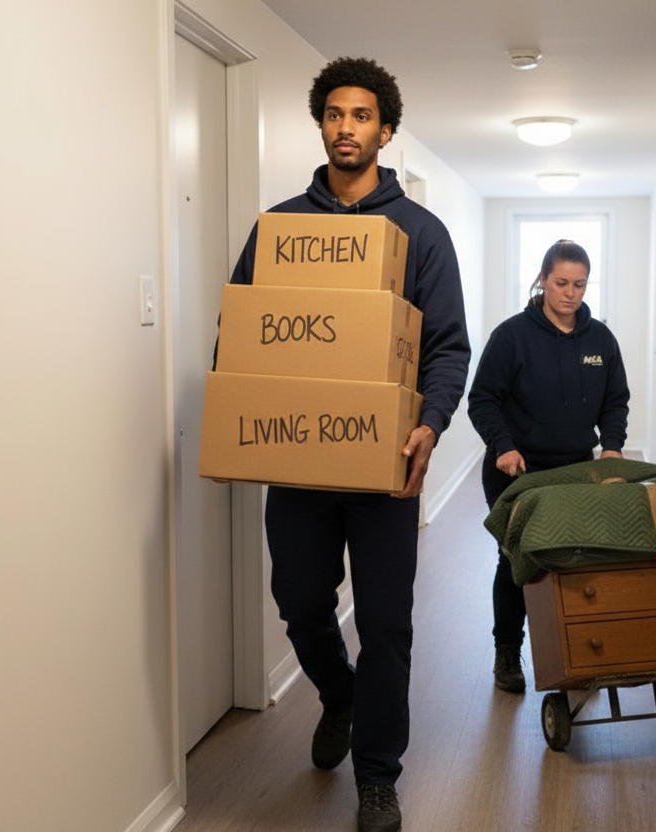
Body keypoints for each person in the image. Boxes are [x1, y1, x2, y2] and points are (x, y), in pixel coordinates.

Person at [218, 57, 470, 832]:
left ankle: (377, 775)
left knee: (388, 622)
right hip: (298, 459)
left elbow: (448, 347)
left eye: (361, 116)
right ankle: (339, 692)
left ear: (384, 130)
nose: (346, 127)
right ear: (321, 123)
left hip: (385, 464)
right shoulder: (279, 228)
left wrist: (429, 423)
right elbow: (243, 331)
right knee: (298, 603)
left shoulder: (420, 234)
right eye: (334, 114)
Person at [467, 239, 630, 693]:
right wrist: (502, 444)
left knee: (573, 558)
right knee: (516, 558)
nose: (570, 293)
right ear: (542, 280)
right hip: (515, 469)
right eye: (561, 283)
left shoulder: (600, 339)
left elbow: (615, 401)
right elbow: (482, 400)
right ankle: (507, 652)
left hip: (574, 468)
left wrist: (612, 447)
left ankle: (578, 649)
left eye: (579, 284)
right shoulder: (512, 336)